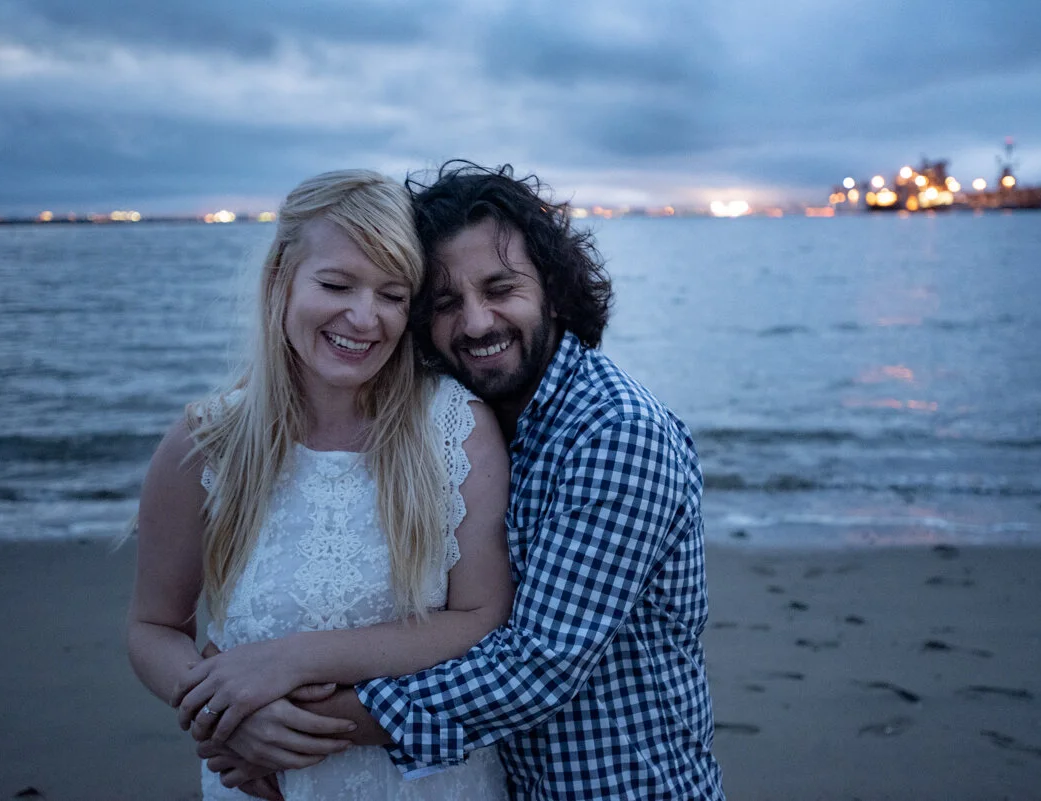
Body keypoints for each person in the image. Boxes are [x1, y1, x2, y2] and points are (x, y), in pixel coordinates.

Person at [191, 162, 725, 799]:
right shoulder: (470, 425)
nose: (475, 323)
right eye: (445, 302)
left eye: (501, 289)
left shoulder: (614, 432)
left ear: (553, 290)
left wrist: (280, 728)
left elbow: (533, 668)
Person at [126, 169, 515, 801]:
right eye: (336, 284)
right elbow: (153, 627)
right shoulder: (206, 442)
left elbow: (480, 616)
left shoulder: (452, 428)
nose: (363, 318)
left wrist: (290, 660)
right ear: (281, 280)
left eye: (392, 295)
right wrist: (227, 717)